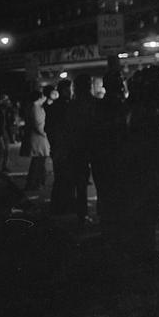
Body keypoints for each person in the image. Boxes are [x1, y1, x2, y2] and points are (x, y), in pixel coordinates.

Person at [115, 66, 159, 269]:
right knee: (145, 214)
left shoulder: (134, 107)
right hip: (145, 171)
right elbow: (156, 145)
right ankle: (145, 255)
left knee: (143, 214)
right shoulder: (145, 111)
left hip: (137, 171)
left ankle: (142, 253)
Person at [91, 69, 128, 249]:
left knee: (106, 196)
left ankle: (109, 232)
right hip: (115, 158)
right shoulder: (120, 106)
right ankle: (115, 235)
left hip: (102, 158)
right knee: (116, 197)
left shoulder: (99, 106)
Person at [65, 74, 97, 228]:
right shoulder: (95, 103)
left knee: (81, 184)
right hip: (95, 146)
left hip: (78, 147)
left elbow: (69, 129)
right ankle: (101, 213)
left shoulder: (72, 105)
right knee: (102, 181)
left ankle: (82, 215)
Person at [45, 78, 74, 215]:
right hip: (64, 147)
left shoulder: (55, 107)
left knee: (61, 178)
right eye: (69, 89)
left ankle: (59, 206)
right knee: (65, 178)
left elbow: (48, 128)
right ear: (64, 90)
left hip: (59, 147)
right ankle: (63, 206)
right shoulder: (65, 106)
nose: (70, 92)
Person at [22, 89, 51, 192]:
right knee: (38, 162)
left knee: (38, 162)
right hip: (39, 139)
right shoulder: (35, 107)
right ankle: (34, 184)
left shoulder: (33, 106)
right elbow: (38, 124)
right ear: (39, 97)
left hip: (38, 139)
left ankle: (37, 182)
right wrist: (46, 134)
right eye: (42, 96)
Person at [0, 92, 15, 173]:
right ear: (2, 101)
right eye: (6, 100)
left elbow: (10, 122)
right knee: (2, 148)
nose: (8, 101)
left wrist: (11, 135)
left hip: (5, 132)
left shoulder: (8, 110)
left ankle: (4, 166)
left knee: (7, 150)